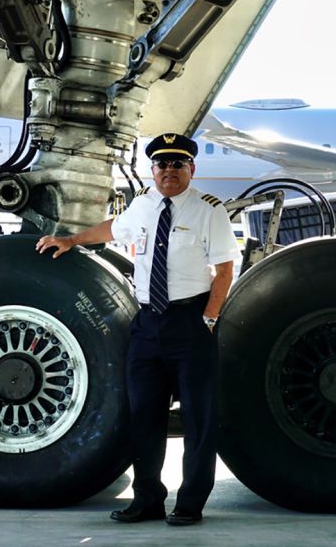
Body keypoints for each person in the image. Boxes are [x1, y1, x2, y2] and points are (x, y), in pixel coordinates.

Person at [36, 132, 238, 526]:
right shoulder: (142, 206)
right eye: (162, 164)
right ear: (153, 169)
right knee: (143, 417)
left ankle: (190, 504)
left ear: (191, 169)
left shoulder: (208, 211)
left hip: (190, 321)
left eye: (178, 164)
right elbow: (113, 229)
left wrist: (209, 320)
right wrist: (72, 240)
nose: (169, 171)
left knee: (199, 418)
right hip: (147, 325)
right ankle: (147, 499)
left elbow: (225, 269)